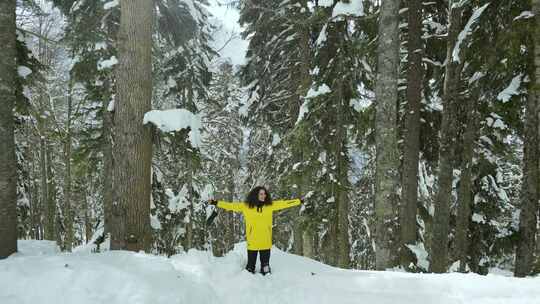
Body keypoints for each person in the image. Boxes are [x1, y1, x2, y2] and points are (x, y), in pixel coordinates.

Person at [208, 186, 303, 275]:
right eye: (261, 194)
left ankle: (268, 283)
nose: (264, 196)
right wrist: (216, 203)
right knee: (250, 268)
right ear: (255, 195)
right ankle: (250, 284)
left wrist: (299, 201)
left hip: (265, 241)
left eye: (264, 194)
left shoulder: (270, 205)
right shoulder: (247, 206)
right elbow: (231, 206)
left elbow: (285, 203)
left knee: (266, 270)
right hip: (252, 241)